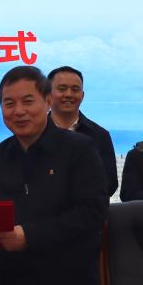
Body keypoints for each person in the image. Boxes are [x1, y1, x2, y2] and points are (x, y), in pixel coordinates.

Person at [0, 65, 107, 285]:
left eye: (28, 101)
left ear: (47, 102)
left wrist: (29, 236)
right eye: (9, 103)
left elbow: (92, 213)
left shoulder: (80, 150)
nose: (19, 111)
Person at [46, 66, 119, 197]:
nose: (69, 94)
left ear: (82, 95)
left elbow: (110, 183)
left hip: (86, 208)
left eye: (75, 90)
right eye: (62, 89)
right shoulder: (33, 133)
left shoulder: (100, 135)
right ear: (48, 94)